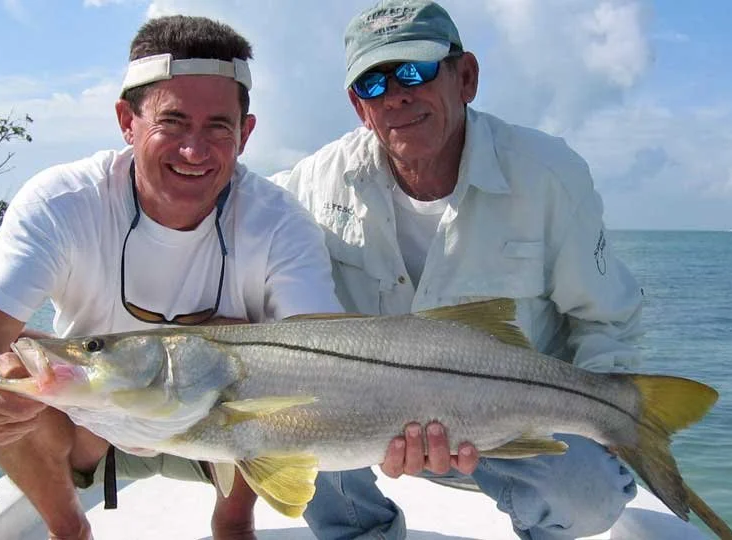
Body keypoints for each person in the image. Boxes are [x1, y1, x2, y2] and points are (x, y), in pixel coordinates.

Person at [0, 15, 342, 540]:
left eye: (218, 126)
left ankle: (234, 521)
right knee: (10, 366)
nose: (194, 150)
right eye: (171, 122)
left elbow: (325, 363)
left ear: (246, 132)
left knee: (264, 354)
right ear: (127, 120)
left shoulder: (281, 221)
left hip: (225, 432)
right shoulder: (63, 202)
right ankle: (68, 529)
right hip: (92, 432)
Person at [272, 1, 644, 538]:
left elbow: (606, 319)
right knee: (280, 420)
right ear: (359, 106)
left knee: (590, 494)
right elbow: (241, 237)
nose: (397, 94)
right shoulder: (309, 185)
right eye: (374, 84)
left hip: (503, 424)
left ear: (465, 76)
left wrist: (611, 421)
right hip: (362, 424)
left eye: (415, 71)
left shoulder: (548, 176)